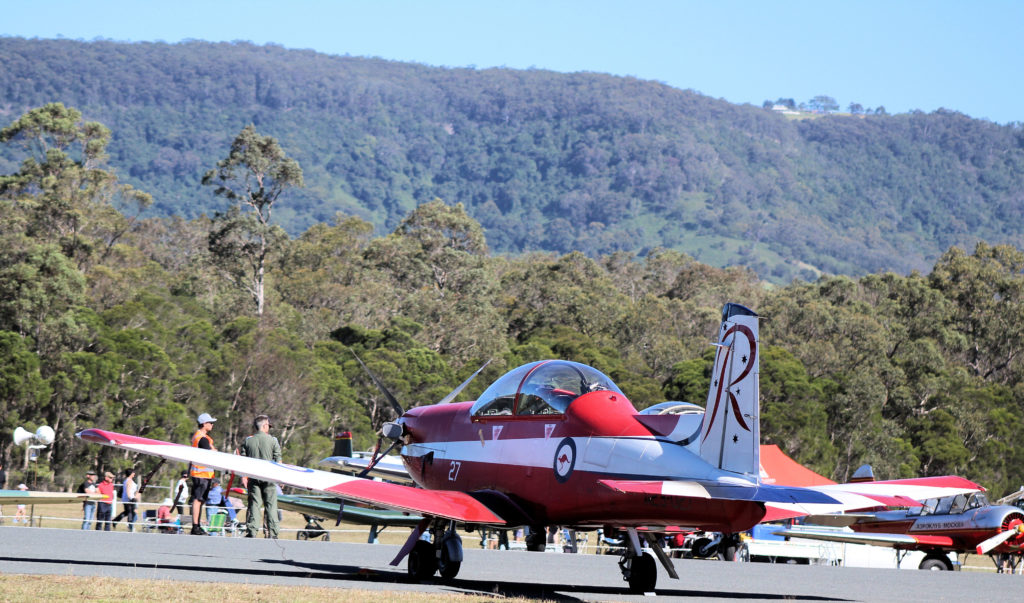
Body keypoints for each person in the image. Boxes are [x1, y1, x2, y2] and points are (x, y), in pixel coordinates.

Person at [240, 414, 281, 538]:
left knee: (254, 504)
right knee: (271, 505)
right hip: (269, 477)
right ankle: (273, 532)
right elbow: (278, 460)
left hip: (253, 477)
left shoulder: (248, 441)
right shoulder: (273, 440)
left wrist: (243, 477)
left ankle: (252, 530)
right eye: (268, 425)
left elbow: (241, 461)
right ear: (264, 426)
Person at [189, 412, 218, 535]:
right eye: (210, 422)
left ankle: (197, 525)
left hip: (201, 474)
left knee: (200, 500)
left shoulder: (199, 436)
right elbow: (209, 454)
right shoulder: (202, 438)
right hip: (201, 475)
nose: (212, 425)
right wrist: (215, 451)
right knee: (198, 500)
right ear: (204, 424)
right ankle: (195, 526)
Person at [112, 467, 140, 531]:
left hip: (127, 499)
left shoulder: (127, 480)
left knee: (127, 512)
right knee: (131, 513)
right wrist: (132, 499)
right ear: (131, 473)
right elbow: (128, 491)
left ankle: (115, 521)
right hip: (129, 500)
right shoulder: (129, 481)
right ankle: (130, 526)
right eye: (133, 472)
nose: (134, 473)